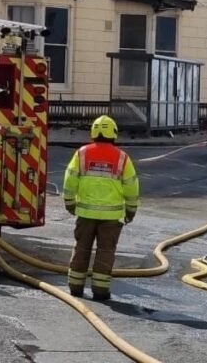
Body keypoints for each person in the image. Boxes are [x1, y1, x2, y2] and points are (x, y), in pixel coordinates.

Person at [63, 114, 139, 300]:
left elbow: (70, 179)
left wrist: (70, 202)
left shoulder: (82, 153)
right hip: (111, 218)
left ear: (93, 132)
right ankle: (100, 290)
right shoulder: (122, 157)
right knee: (105, 252)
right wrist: (131, 209)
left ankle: (75, 286)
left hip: (85, 214)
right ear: (114, 134)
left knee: (81, 248)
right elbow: (131, 186)